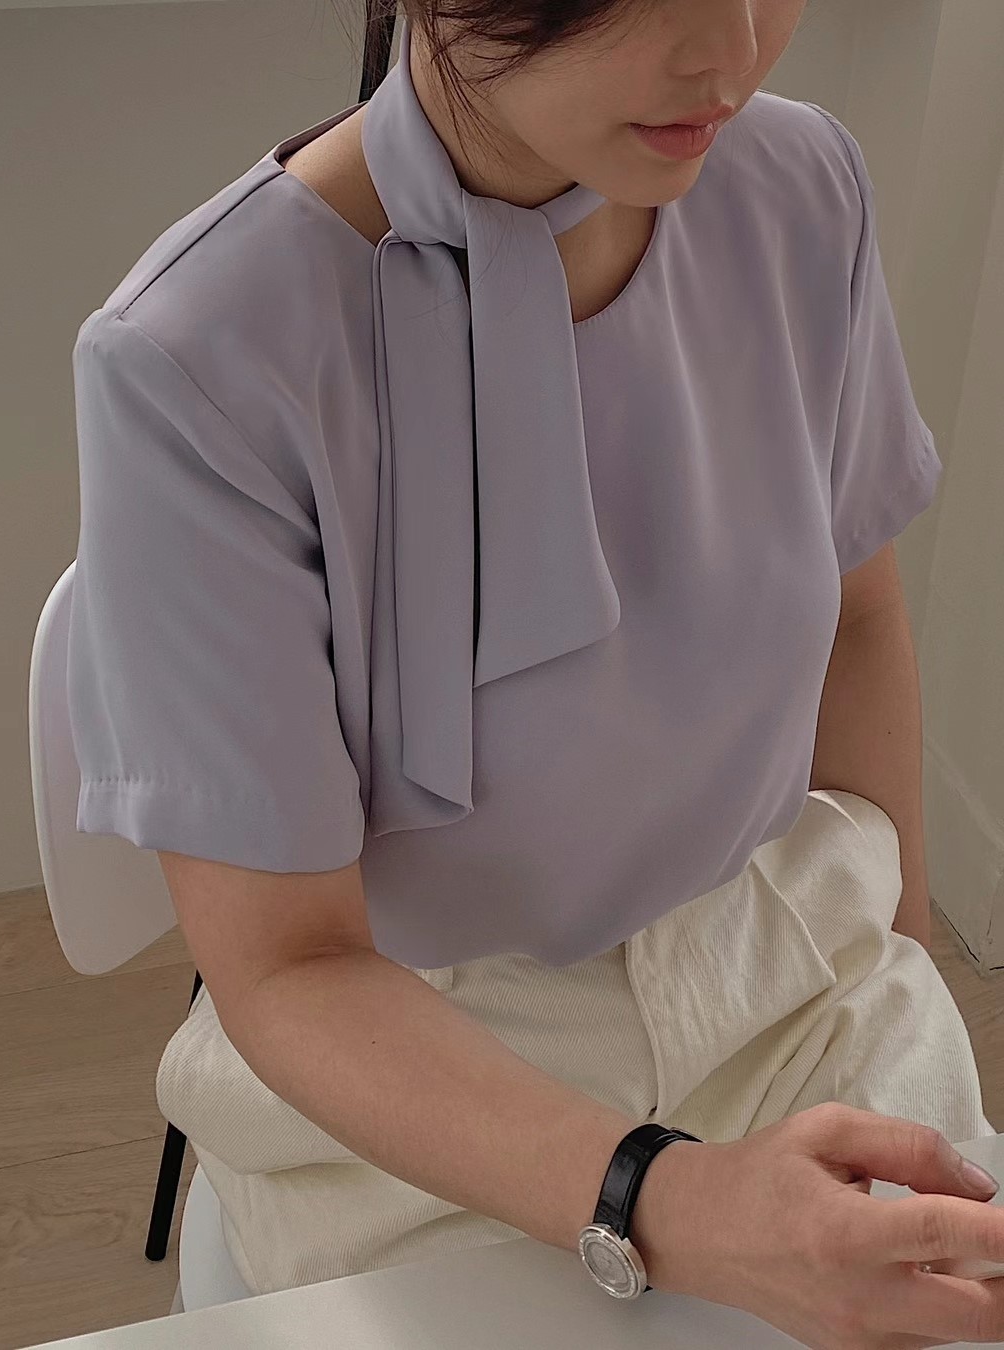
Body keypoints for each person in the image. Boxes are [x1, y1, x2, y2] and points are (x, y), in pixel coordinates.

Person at [66, 0, 1004, 1344]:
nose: (732, 51)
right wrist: (664, 1197)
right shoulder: (199, 359)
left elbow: (858, 619)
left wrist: (892, 963)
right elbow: (287, 965)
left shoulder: (802, 185)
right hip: (421, 1072)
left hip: (795, 959)